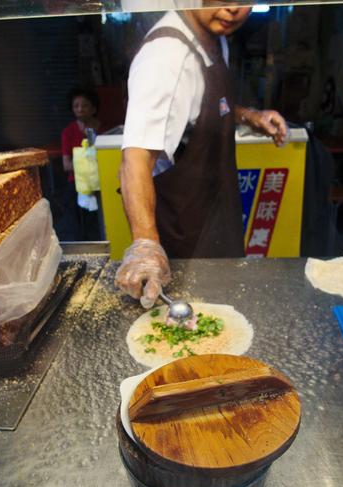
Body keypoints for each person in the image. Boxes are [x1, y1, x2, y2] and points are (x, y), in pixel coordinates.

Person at [115, 7, 288, 308]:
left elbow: (205, 107)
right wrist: (146, 246)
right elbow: (135, 159)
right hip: (185, 236)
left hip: (216, 215)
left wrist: (249, 116)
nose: (234, 7)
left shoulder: (213, 36)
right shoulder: (166, 55)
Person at [59, 87, 102, 240]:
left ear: (93, 108)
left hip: (102, 181)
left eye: (84, 105)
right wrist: (88, 166)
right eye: (76, 106)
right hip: (77, 182)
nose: (80, 109)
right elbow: (66, 165)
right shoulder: (68, 132)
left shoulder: (105, 129)